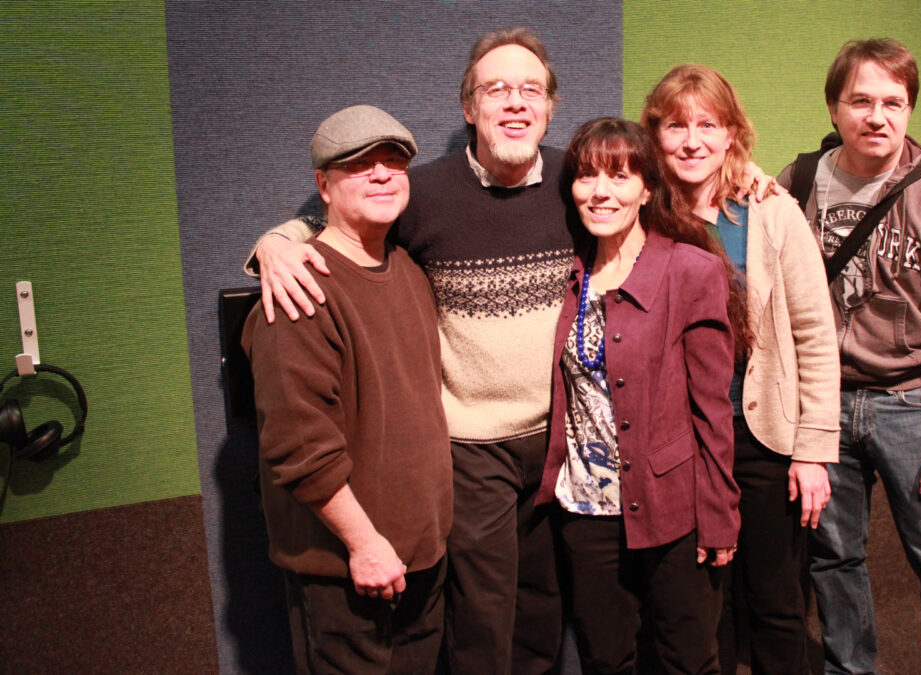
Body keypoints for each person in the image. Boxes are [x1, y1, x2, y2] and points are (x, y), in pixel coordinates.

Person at [245, 28, 574, 675]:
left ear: (550, 106)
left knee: (541, 619)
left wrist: (750, 180)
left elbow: (664, 193)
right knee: (483, 628)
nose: (514, 102)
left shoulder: (577, 181)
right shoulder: (419, 191)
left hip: (557, 446)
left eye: (529, 89)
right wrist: (274, 244)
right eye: (496, 89)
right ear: (468, 108)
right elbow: (337, 223)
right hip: (473, 450)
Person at [776, 38, 921, 674]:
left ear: (909, 109)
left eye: (893, 103)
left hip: (913, 405)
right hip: (825, 406)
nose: (878, 117)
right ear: (834, 106)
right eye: (862, 100)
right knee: (834, 559)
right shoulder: (799, 179)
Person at [640, 65, 841, 675]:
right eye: (676, 125)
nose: (692, 140)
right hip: (682, 442)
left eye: (708, 124)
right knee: (703, 607)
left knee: (777, 601)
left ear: (731, 134)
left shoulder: (769, 212)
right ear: (656, 134)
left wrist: (813, 449)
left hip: (760, 436)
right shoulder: (641, 213)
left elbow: (814, 333)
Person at [242, 104, 452, 674]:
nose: (382, 174)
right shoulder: (299, 289)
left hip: (420, 558)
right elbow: (296, 441)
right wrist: (364, 543)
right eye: (359, 165)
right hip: (349, 568)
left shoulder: (407, 268)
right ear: (323, 185)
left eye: (393, 161)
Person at [536, 117, 739, 675]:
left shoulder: (689, 270)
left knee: (688, 659)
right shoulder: (567, 271)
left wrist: (720, 515)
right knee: (606, 659)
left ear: (647, 188)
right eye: (586, 176)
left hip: (674, 505)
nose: (601, 191)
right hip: (584, 510)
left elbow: (713, 409)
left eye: (620, 176)